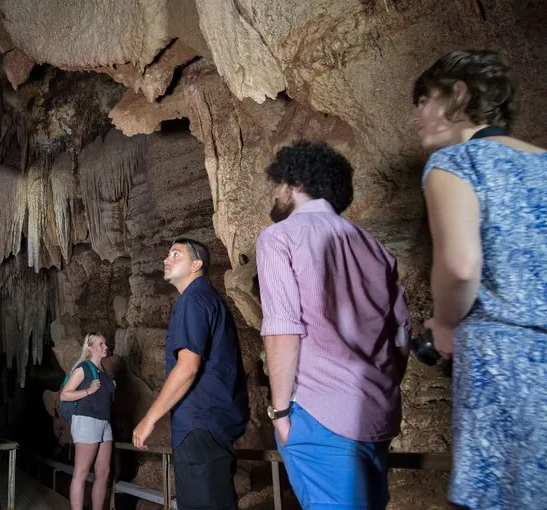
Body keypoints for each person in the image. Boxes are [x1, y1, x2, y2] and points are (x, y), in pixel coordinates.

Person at [412, 49, 547, 509]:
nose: (418, 115)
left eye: (424, 99)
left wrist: (446, 324)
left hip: (503, 359)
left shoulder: (458, 163)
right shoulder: (543, 163)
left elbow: (461, 265)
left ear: (458, 94)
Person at [255, 140, 411, 510]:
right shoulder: (374, 246)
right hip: (375, 416)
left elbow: (282, 330)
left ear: (294, 184)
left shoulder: (279, 237)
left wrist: (279, 413)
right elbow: (401, 335)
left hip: (319, 415)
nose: (275, 194)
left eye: (277, 185)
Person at [133, 238, 249, 510]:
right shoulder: (206, 299)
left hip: (200, 425)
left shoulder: (192, 300)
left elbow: (188, 366)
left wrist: (150, 419)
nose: (167, 259)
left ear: (197, 264)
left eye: (176, 254)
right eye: (167, 254)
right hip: (210, 424)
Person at [59, 333, 115, 510]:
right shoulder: (84, 367)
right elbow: (64, 394)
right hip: (86, 420)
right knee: (81, 472)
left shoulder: (105, 373)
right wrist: (88, 391)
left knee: (103, 473)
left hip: (104, 423)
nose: (105, 346)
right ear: (89, 347)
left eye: (105, 343)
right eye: (101, 344)